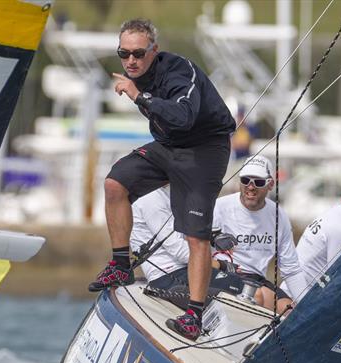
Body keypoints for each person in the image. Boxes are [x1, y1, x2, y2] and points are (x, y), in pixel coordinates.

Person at [88, 18, 236, 341]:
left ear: (154, 50)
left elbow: (183, 117)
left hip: (205, 150)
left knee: (195, 236)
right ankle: (121, 264)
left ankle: (194, 317)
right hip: (170, 147)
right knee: (115, 183)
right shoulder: (136, 74)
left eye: (138, 54)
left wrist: (139, 96)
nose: (131, 61)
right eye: (123, 54)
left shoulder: (180, 72)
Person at [212, 156, 308, 313]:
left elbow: (290, 268)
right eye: (245, 180)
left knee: (290, 310)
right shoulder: (220, 207)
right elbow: (198, 250)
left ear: (270, 184)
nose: (250, 187)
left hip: (257, 279)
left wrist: (306, 303)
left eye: (258, 182)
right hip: (224, 273)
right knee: (257, 296)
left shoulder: (279, 215)